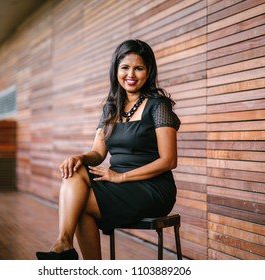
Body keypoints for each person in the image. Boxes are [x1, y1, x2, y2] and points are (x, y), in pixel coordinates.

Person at [36, 39, 180, 260]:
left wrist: (122, 177)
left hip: (152, 187)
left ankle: (68, 248)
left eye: (138, 68)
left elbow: (169, 160)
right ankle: (64, 243)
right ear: (116, 70)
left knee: (81, 205)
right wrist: (80, 157)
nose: (131, 74)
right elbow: (98, 153)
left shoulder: (158, 106)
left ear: (148, 71)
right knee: (76, 170)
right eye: (125, 67)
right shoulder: (110, 108)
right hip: (116, 182)